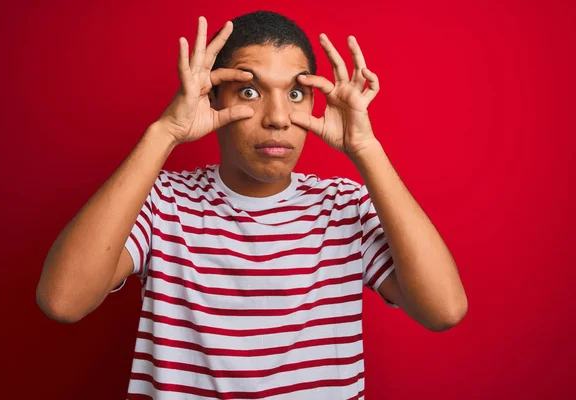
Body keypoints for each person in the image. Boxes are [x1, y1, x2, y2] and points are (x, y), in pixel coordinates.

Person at [36, 10, 467, 399]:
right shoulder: (162, 200)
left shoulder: (344, 206)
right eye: (249, 91)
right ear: (214, 97)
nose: (278, 117)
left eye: (295, 94)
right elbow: (63, 301)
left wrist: (365, 148)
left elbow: (444, 311)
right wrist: (165, 131)